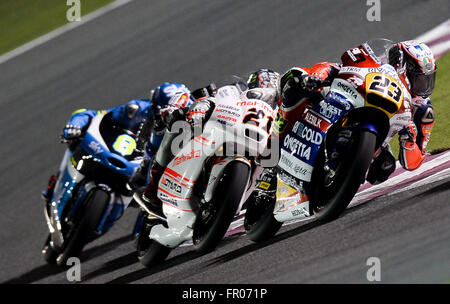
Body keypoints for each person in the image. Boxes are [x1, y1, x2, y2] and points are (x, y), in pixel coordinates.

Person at [132, 70, 280, 218]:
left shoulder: (277, 113)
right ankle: (154, 185)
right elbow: (194, 96)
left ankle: (254, 202)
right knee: (178, 120)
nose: (267, 92)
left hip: (256, 143)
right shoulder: (234, 90)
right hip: (217, 129)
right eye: (263, 85)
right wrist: (181, 107)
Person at [42, 82, 193, 200]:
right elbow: (97, 115)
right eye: (161, 111)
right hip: (118, 151)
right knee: (76, 138)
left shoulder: (181, 132)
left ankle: (146, 224)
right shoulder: (138, 108)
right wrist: (76, 126)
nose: (164, 117)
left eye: (171, 114)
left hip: (141, 169)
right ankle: (57, 182)